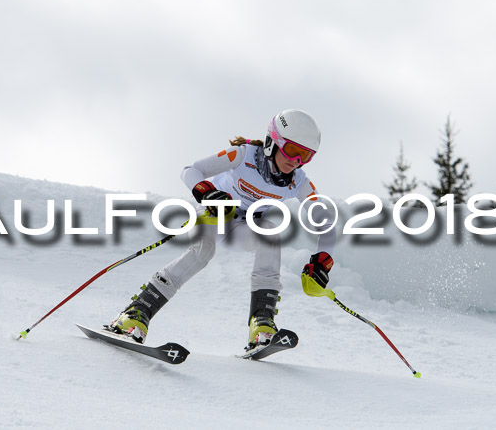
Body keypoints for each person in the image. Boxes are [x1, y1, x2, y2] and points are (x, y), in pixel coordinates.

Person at [108, 109, 336, 350]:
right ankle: (135, 314)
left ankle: (262, 323)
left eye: (306, 156)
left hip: (242, 228)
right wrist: (207, 193)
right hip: (211, 214)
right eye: (292, 150)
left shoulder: (298, 181)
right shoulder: (243, 155)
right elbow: (191, 170)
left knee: (270, 231)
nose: (296, 161)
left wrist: (322, 260)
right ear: (273, 141)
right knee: (203, 251)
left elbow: (325, 224)